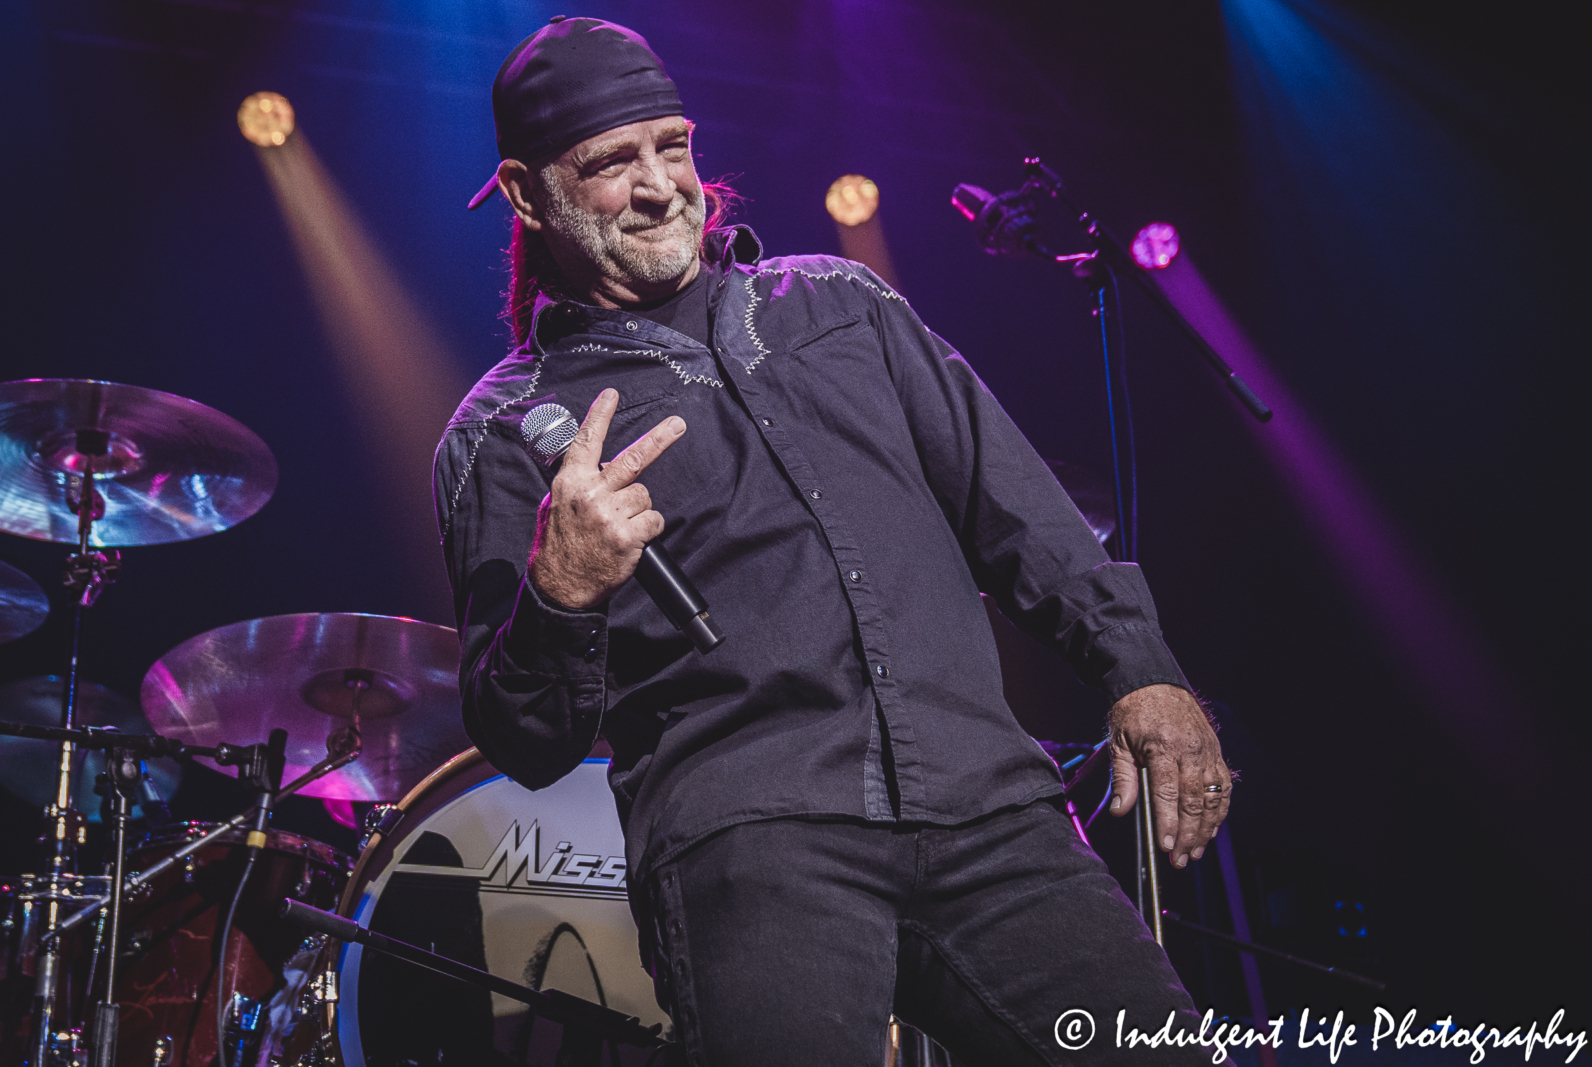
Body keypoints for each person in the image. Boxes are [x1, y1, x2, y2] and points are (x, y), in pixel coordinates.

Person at [434, 16, 1233, 1065]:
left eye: (670, 145)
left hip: (988, 808)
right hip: (753, 847)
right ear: (529, 193)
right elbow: (521, 738)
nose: (657, 184)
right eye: (608, 163)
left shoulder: (837, 302)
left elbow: (1016, 508)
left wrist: (1143, 670)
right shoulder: (504, 432)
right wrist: (562, 589)